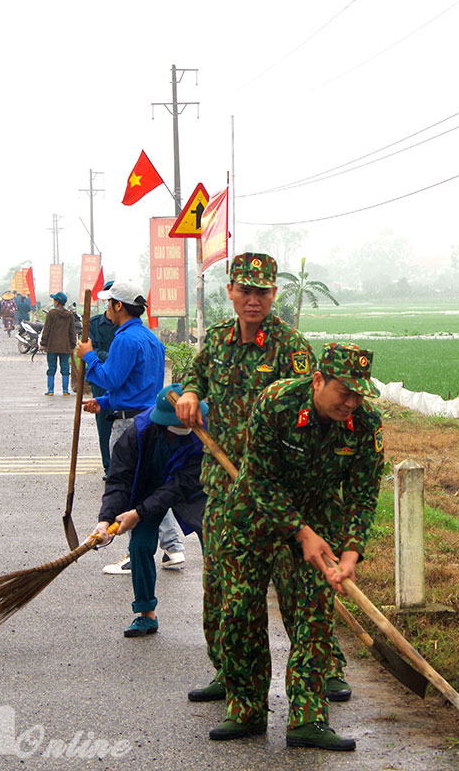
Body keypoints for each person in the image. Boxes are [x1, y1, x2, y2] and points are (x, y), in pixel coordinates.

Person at [176, 252, 351, 706]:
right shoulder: (216, 340)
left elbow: (307, 413)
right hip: (227, 488)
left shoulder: (291, 347)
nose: (253, 300)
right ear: (231, 292)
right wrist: (192, 392)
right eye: (245, 290)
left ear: (274, 295)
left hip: (280, 491)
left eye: (263, 292)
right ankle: (229, 672)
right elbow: (195, 375)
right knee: (221, 588)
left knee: (299, 588)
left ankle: (323, 669)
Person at [206, 343, 383, 751]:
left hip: (320, 513)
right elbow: (258, 480)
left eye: (359, 394)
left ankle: (308, 719)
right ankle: (247, 710)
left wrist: (351, 552)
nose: (352, 402)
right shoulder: (279, 402)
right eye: (344, 392)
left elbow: (363, 494)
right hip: (255, 513)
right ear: (318, 380)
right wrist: (299, 532)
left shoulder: (366, 422)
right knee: (240, 611)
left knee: (315, 616)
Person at [77, 280, 187, 573]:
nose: (105, 308)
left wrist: (87, 355)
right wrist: (105, 402)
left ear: (118, 306)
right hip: (149, 418)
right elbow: (137, 386)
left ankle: (137, 555)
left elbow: (110, 378)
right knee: (150, 486)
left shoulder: (124, 339)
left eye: (108, 302)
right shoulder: (150, 337)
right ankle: (174, 548)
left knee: (132, 488)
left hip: (129, 425)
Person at [92, 384, 208, 637]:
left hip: (193, 491)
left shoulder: (205, 434)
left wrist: (138, 513)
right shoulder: (139, 433)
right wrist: (106, 518)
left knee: (216, 542)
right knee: (140, 546)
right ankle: (146, 614)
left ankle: (223, 610)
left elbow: (181, 486)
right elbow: (119, 478)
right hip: (148, 487)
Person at [86, 280, 119, 476]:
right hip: (100, 380)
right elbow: (91, 349)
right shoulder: (95, 324)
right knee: (104, 424)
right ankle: (108, 466)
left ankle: (123, 465)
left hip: (122, 379)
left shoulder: (125, 326)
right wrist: (111, 358)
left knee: (126, 422)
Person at [39, 292, 77, 395]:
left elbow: (46, 329)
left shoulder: (51, 313)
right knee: (65, 368)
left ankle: (50, 390)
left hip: (52, 346)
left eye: (54, 300)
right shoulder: (69, 315)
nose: (53, 301)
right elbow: (72, 331)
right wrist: (73, 345)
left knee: (51, 368)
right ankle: (65, 391)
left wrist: (43, 343)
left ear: (57, 302)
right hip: (65, 347)